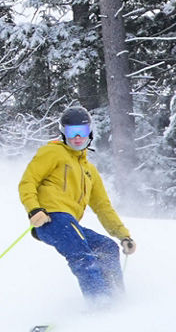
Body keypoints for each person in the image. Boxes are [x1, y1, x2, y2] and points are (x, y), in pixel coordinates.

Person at [20, 107, 135, 305]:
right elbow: (28, 181)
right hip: (51, 218)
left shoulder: (89, 170)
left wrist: (123, 235)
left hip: (71, 224)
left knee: (107, 247)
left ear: (90, 132)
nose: (77, 138)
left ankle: (118, 300)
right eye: (72, 132)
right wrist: (34, 209)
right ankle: (100, 303)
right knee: (83, 257)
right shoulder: (52, 152)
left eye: (82, 132)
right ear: (63, 132)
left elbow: (103, 206)